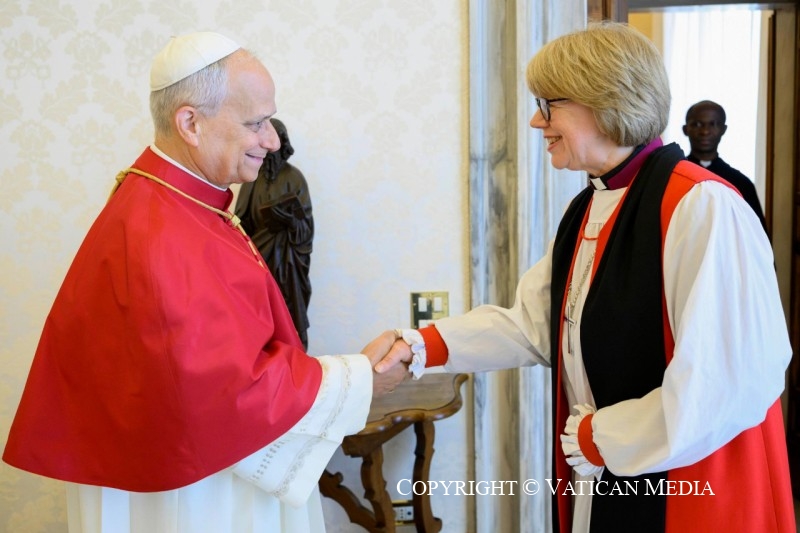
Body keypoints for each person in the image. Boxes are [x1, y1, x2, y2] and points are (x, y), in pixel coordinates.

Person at [376, 22, 794, 532]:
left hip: (688, 483)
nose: (536, 122)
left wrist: (602, 436)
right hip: (605, 468)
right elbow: (536, 322)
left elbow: (732, 376)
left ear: (603, 102)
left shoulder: (701, 205)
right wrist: (417, 345)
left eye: (547, 104)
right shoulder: (590, 204)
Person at [3, 31, 409, 533]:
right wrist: (360, 378)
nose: (273, 140)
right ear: (190, 123)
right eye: (256, 123)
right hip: (195, 499)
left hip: (200, 478)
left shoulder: (180, 200)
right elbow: (230, 395)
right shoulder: (160, 230)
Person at [235, 118, 314, 349]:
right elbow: (239, 223)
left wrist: (290, 221)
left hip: (289, 264)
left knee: (291, 316)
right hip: (258, 260)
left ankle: (297, 364)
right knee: (259, 317)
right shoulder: (252, 179)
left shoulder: (294, 178)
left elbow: (306, 230)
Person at [683, 99, 768, 232]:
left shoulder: (741, 184)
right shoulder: (674, 177)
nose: (705, 131)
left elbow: (756, 235)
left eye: (713, 124)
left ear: (723, 129)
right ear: (685, 129)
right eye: (697, 124)